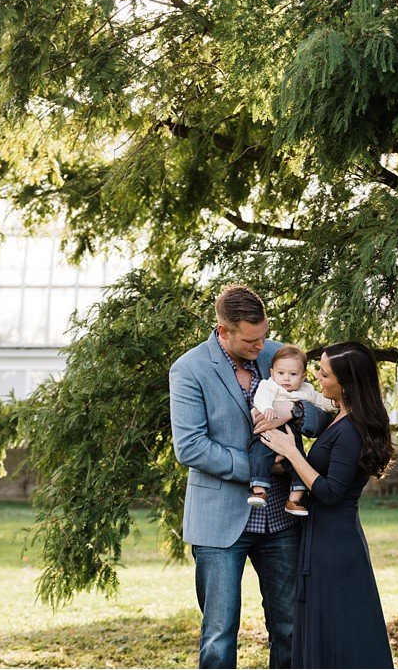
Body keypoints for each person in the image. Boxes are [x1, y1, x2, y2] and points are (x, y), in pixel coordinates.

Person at [168, 284, 333, 669]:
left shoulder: (278, 355)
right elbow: (190, 447)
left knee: (291, 627)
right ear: (223, 331)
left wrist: (292, 416)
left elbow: (321, 416)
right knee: (219, 634)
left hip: (282, 520)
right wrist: (261, 466)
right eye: (251, 339)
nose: (262, 346)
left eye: (264, 335)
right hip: (219, 522)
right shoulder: (189, 370)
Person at [258, 341, 395, 669]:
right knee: (326, 629)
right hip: (322, 536)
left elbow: (332, 491)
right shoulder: (338, 418)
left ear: (345, 382)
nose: (316, 377)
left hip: (335, 546)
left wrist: (292, 452)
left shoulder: (351, 430)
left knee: (340, 633)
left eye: (324, 372)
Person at [247, 343, 339, 515]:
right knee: (259, 455)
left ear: (303, 376)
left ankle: (294, 500)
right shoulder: (270, 386)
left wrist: (335, 404)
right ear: (272, 373)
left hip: (292, 436)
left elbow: (321, 402)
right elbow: (261, 397)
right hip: (267, 434)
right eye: (281, 373)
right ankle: (259, 491)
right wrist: (267, 408)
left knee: (299, 465)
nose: (286, 379)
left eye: (293, 374)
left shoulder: (307, 390)